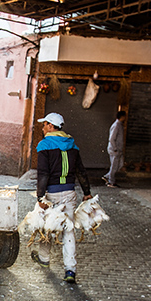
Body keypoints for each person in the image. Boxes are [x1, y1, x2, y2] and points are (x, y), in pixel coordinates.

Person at [31, 112, 93, 283]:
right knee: (69, 231)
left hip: (51, 194)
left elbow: (43, 174)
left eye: (44, 125)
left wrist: (40, 197)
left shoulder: (44, 145)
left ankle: (44, 258)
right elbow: (81, 171)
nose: (43, 128)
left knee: (47, 228)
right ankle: (70, 270)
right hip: (69, 194)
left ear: (51, 126)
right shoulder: (72, 145)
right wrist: (86, 192)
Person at [102, 110, 126, 188]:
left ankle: (107, 176)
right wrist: (115, 148)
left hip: (117, 149)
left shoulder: (119, 125)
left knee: (119, 165)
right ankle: (111, 182)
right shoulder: (116, 125)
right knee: (114, 166)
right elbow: (112, 138)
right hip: (114, 149)